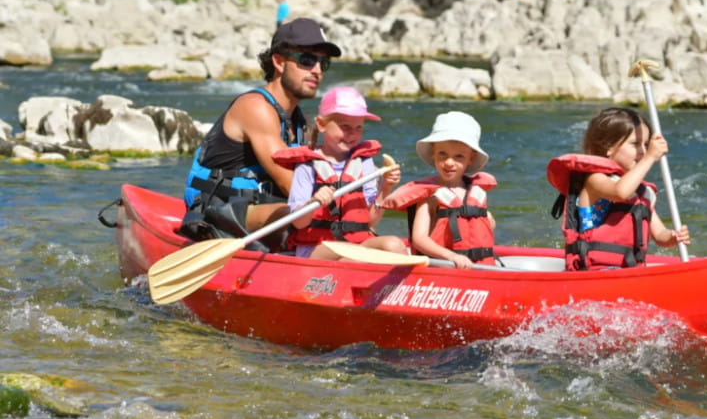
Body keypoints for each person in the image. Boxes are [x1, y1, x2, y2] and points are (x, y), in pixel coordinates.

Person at [180, 17, 340, 251]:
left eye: (323, 63)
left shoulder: (299, 122)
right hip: (217, 211)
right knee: (306, 215)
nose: (317, 70)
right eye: (307, 60)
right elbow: (294, 188)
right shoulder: (256, 108)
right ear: (278, 62)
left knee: (335, 218)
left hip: (260, 207)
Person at [547, 107, 690, 271]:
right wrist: (651, 157)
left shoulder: (641, 192)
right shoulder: (595, 180)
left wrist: (673, 236)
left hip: (629, 270)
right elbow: (620, 193)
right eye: (635, 144)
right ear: (609, 147)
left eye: (646, 144)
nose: (643, 152)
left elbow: (660, 235)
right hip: (593, 271)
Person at [271, 86, 405, 259]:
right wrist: (314, 202)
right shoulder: (307, 165)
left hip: (355, 244)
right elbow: (298, 223)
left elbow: (370, 221)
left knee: (393, 244)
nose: (352, 134)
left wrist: (385, 188)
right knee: (354, 257)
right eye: (345, 126)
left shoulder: (364, 163)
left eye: (358, 128)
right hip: (316, 249)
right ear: (321, 124)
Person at [383, 111, 497, 269]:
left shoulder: (476, 193)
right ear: (433, 153)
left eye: (459, 156)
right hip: (444, 266)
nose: (449, 162)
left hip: (479, 266)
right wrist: (451, 256)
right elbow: (419, 238)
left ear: (471, 158)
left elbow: (486, 226)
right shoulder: (430, 196)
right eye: (443, 154)